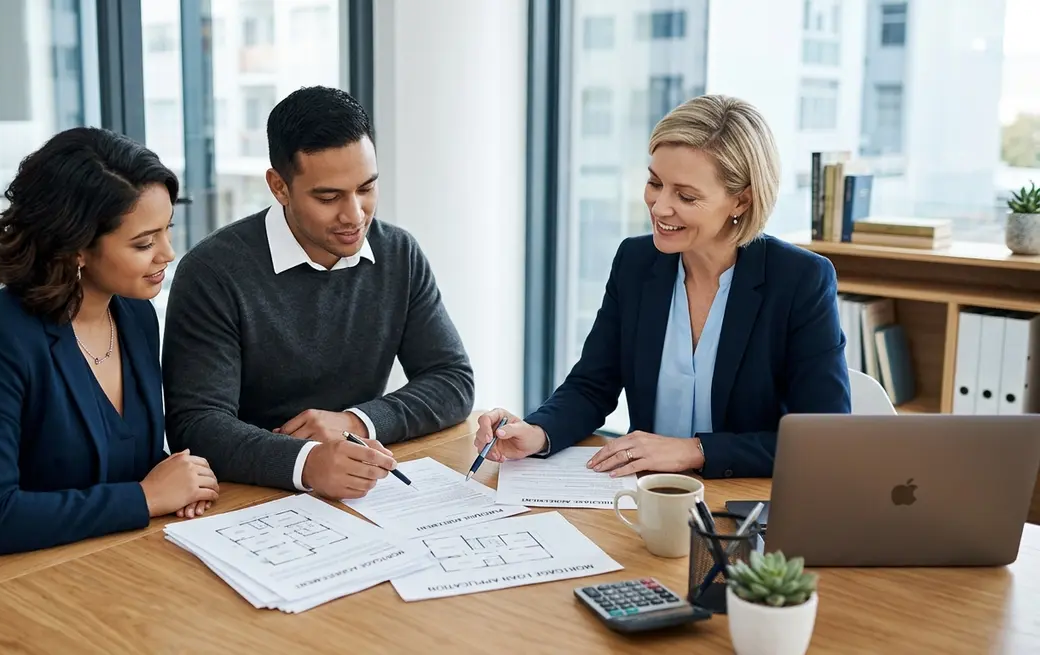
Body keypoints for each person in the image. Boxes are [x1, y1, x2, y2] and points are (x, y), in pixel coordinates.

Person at [475, 95, 850, 480]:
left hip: (743, 505)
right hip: (647, 497)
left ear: (741, 200)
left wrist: (695, 451)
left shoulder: (800, 280)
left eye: (686, 196)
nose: (659, 207)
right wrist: (537, 433)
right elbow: (592, 385)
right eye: (655, 183)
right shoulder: (636, 263)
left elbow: (824, 441)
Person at [0, 127, 219, 575]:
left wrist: (176, 480)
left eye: (167, 230)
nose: (168, 252)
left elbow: (119, 456)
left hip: (89, 566)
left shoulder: (135, 316)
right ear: (76, 248)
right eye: (144, 243)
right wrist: (146, 498)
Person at [162, 86, 474, 500]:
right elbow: (197, 425)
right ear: (279, 187)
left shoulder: (398, 253)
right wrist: (307, 461)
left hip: (360, 484)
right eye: (328, 197)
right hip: (248, 497)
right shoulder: (212, 272)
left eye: (366, 188)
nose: (354, 215)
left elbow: (452, 380)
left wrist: (356, 422)